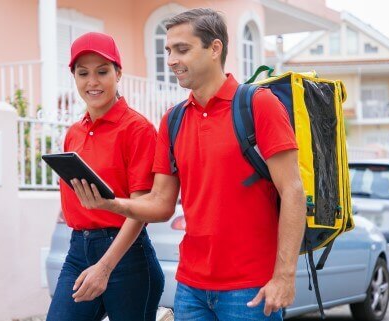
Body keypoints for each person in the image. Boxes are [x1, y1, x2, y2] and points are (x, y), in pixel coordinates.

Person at [71, 9, 306, 321]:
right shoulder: (174, 118)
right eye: (168, 50)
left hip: (250, 289)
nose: (171, 60)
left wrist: (285, 276)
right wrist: (111, 204)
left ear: (214, 49)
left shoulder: (258, 105)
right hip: (190, 289)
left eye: (182, 49)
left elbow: (293, 191)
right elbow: (161, 204)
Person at [46, 32, 164, 321]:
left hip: (127, 258)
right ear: (73, 77)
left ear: (118, 73)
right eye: (83, 73)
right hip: (78, 250)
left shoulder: (137, 128)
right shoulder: (73, 133)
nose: (93, 82)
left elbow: (141, 210)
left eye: (102, 71)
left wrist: (105, 267)